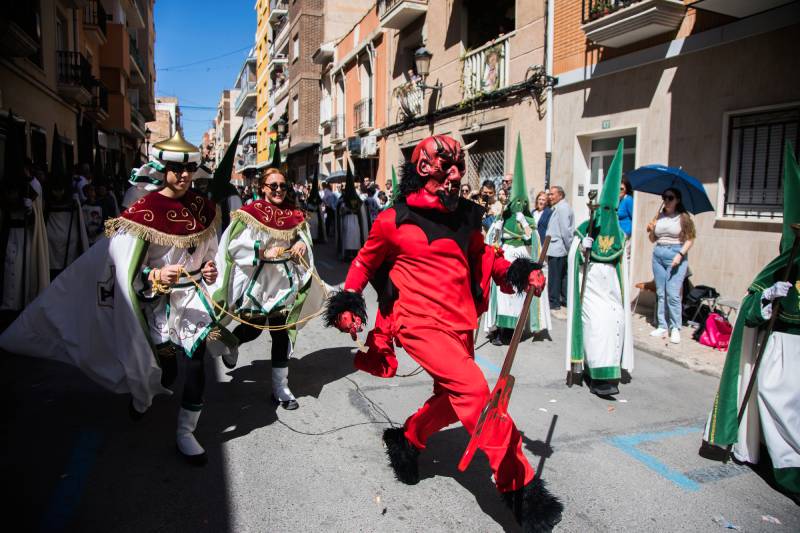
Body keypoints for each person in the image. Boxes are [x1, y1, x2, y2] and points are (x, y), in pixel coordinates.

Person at [324, 134, 562, 532]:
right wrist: (347, 304)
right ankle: (520, 488)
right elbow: (363, 264)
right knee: (474, 392)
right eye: (447, 169)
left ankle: (409, 438)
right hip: (418, 323)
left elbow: (486, 258)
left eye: (458, 168)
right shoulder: (392, 219)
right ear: (423, 171)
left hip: (460, 323)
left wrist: (521, 272)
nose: (456, 176)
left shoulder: (467, 215)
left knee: (453, 401)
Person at [0, 131, 237, 465]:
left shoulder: (205, 209)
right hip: (155, 306)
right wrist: (154, 276)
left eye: (188, 169)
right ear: (164, 169)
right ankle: (143, 396)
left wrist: (209, 270)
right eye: (175, 168)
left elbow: (209, 255)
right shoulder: (143, 211)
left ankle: (186, 431)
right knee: (165, 369)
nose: (183, 175)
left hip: (193, 301)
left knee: (199, 356)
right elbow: (121, 268)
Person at [701, 144, 800, 499]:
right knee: (779, 398)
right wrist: (768, 298)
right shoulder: (780, 268)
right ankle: (788, 466)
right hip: (783, 347)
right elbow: (750, 310)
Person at [212, 167, 325, 410]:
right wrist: (261, 251)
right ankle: (232, 343)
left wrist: (301, 246)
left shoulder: (293, 214)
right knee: (254, 329)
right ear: (262, 187)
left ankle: (280, 388)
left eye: (282, 186)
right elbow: (234, 246)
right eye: (273, 186)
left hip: (285, 282)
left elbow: (301, 237)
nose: (278, 190)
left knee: (280, 333)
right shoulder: (249, 213)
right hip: (259, 281)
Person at [564, 140, 634, 397]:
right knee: (595, 326)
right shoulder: (586, 227)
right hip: (591, 284)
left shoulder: (619, 233)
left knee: (614, 323)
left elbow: (619, 263)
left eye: (611, 208)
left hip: (611, 289)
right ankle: (595, 375)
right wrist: (583, 249)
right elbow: (575, 257)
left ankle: (609, 375)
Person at [484, 136, 551, 345]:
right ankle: (502, 329)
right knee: (503, 294)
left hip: (520, 256)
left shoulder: (528, 218)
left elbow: (534, 240)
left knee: (516, 295)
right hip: (506, 256)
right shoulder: (503, 215)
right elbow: (493, 234)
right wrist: (497, 224)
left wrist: (525, 224)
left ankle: (514, 330)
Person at [0, 148, 49, 327]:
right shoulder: (7, 183)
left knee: (25, 270)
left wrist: (29, 208)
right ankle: (8, 308)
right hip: (9, 234)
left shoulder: (33, 184)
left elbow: (37, 210)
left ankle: (23, 306)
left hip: (27, 235)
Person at [647, 187, 696, 343]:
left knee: (673, 294)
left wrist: (680, 255)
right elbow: (652, 240)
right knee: (661, 292)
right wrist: (651, 229)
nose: (666, 200)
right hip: (658, 254)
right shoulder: (659, 216)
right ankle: (662, 324)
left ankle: (675, 327)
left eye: (670, 197)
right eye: (664, 197)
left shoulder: (683, 217)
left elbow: (690, 239)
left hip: (676, 255)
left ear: (677, 200)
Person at [44, 176, 88, 279]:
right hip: (50, 246)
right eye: (55, 190)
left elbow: (80, 225)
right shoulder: (47, 204)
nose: (58, 194)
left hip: (70, 247)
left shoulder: (73, 203)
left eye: (60, 190)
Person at [545, 185, 574, 320]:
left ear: (560, 195)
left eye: (552, 194)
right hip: (557, 247)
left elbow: (566, 231)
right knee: (560, 275)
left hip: (559, 248)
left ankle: (554, 302)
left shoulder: (563, 208)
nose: (550, 197)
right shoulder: (559, 207)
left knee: (555, 276)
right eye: (549, 194)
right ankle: (562, 300)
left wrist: (569, 247)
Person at [335, 164, 369, 260]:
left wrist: (354, 209)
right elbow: (340, 210)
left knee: (355, 237)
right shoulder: (343, 200)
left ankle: (354, 254)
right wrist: (346, 210)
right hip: (347, 220)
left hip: (355, 220)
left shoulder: (357, 199)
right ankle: (347, 254)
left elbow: (361, 208)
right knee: (347, 238)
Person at [619, 176, 634, 259]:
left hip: (625, 235)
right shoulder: (619, 200)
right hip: (619, 234)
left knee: (625, 258)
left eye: (621, 189)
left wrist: (629, 232)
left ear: (626, 189)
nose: (619, 190)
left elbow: (634, 218)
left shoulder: (628, 200)